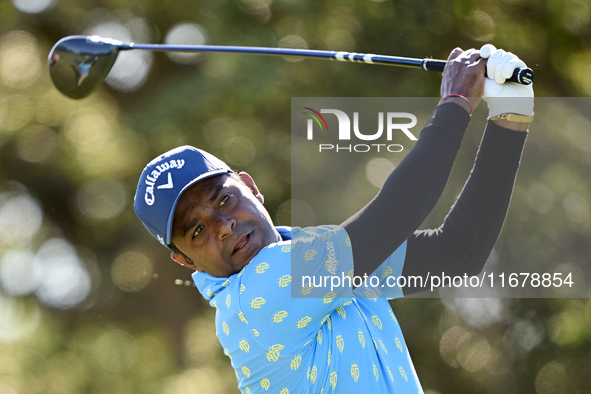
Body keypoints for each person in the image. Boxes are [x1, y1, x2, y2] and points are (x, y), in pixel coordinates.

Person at [133, 44, 534, 393]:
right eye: (197, 230)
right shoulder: (256, 295)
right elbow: (396, 213)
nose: (223, 227)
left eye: (223, 199)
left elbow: (455, 254)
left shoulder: (319, 260)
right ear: (184, 261)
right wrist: (456, 101)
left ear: (250, 187)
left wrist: (510, 116)